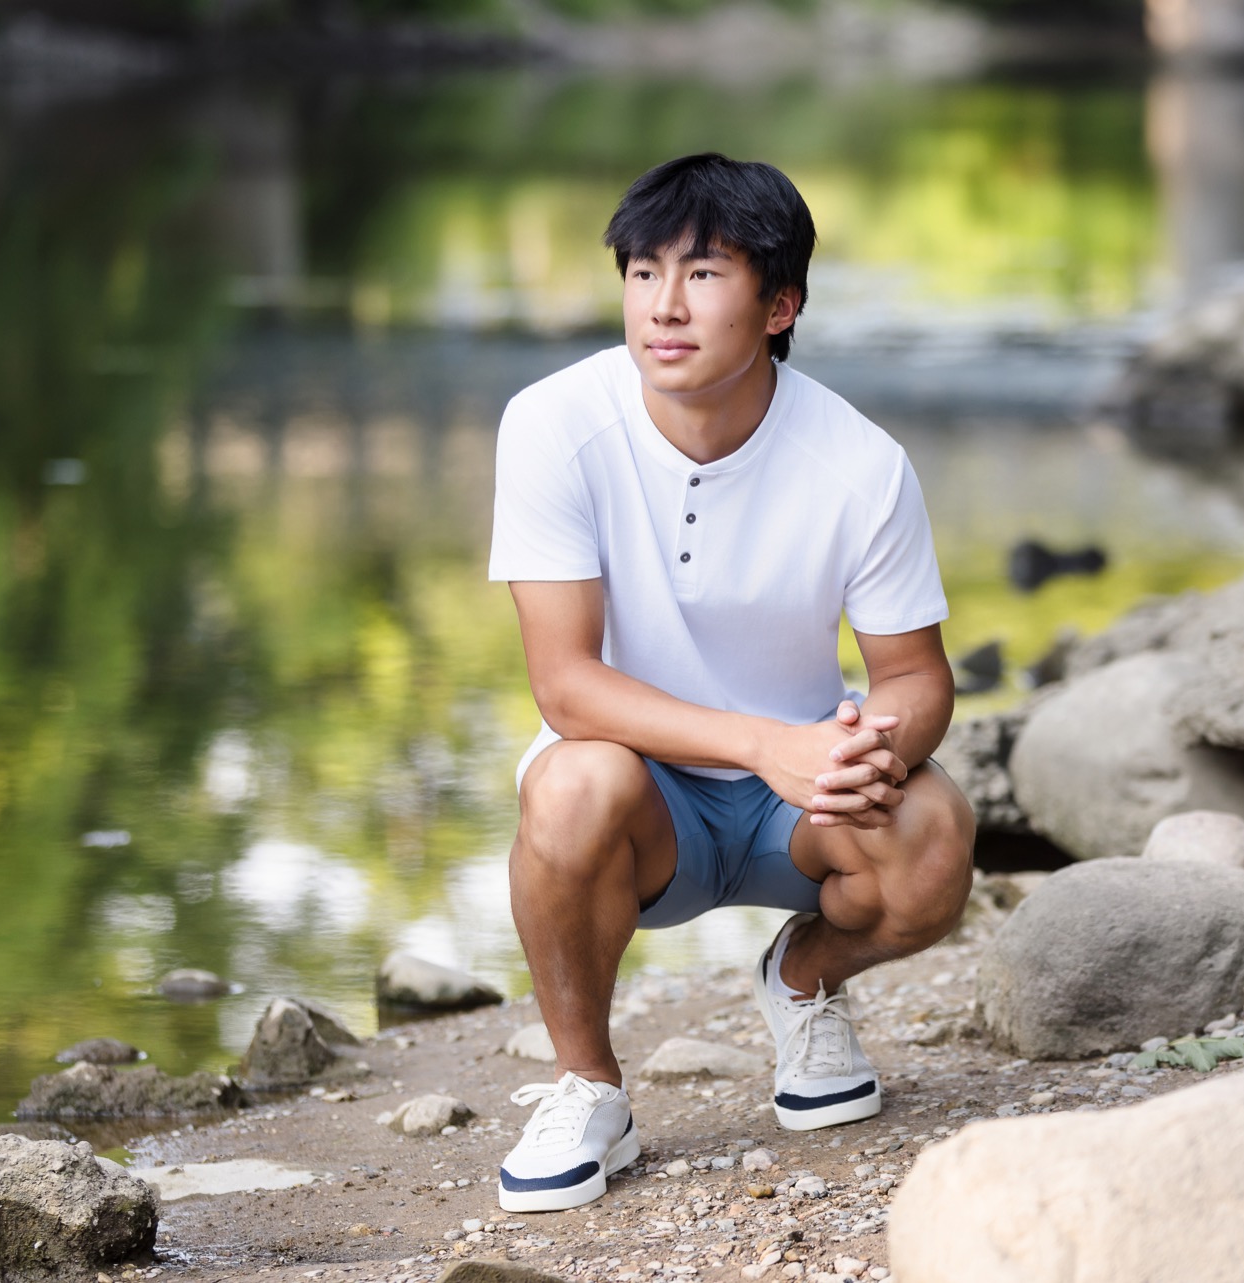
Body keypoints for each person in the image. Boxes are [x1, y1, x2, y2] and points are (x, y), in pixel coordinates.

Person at [486, 152, 975, 1214]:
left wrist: (868, 747)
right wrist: (763, 741)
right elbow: (566, 686)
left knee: (935, 830)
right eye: (642, 271)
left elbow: (915, 675)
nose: (663, 304)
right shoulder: (552, 425)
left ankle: (803, 980)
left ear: (779, 304)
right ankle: (587, 1086)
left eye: (703, 274)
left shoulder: (860, 461)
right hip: (638, 795)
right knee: (568, 782)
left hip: (795, 804)